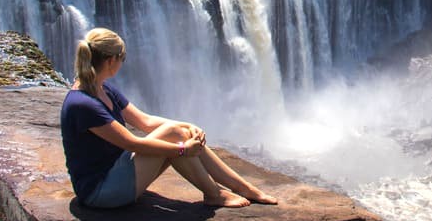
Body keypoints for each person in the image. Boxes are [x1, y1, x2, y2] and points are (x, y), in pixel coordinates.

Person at [60, 27, 278, 209]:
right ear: (110, 61)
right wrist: (182, 149)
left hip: (117, 171)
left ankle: (241, 187)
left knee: (180, 132)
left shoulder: (103, 88)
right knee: (175, 136)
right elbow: (132, 142)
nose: (122, 63)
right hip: (100, 191)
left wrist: (188, 126)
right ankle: (214, 194)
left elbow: (145, 121)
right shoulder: (83, 104)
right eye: (122, 58)